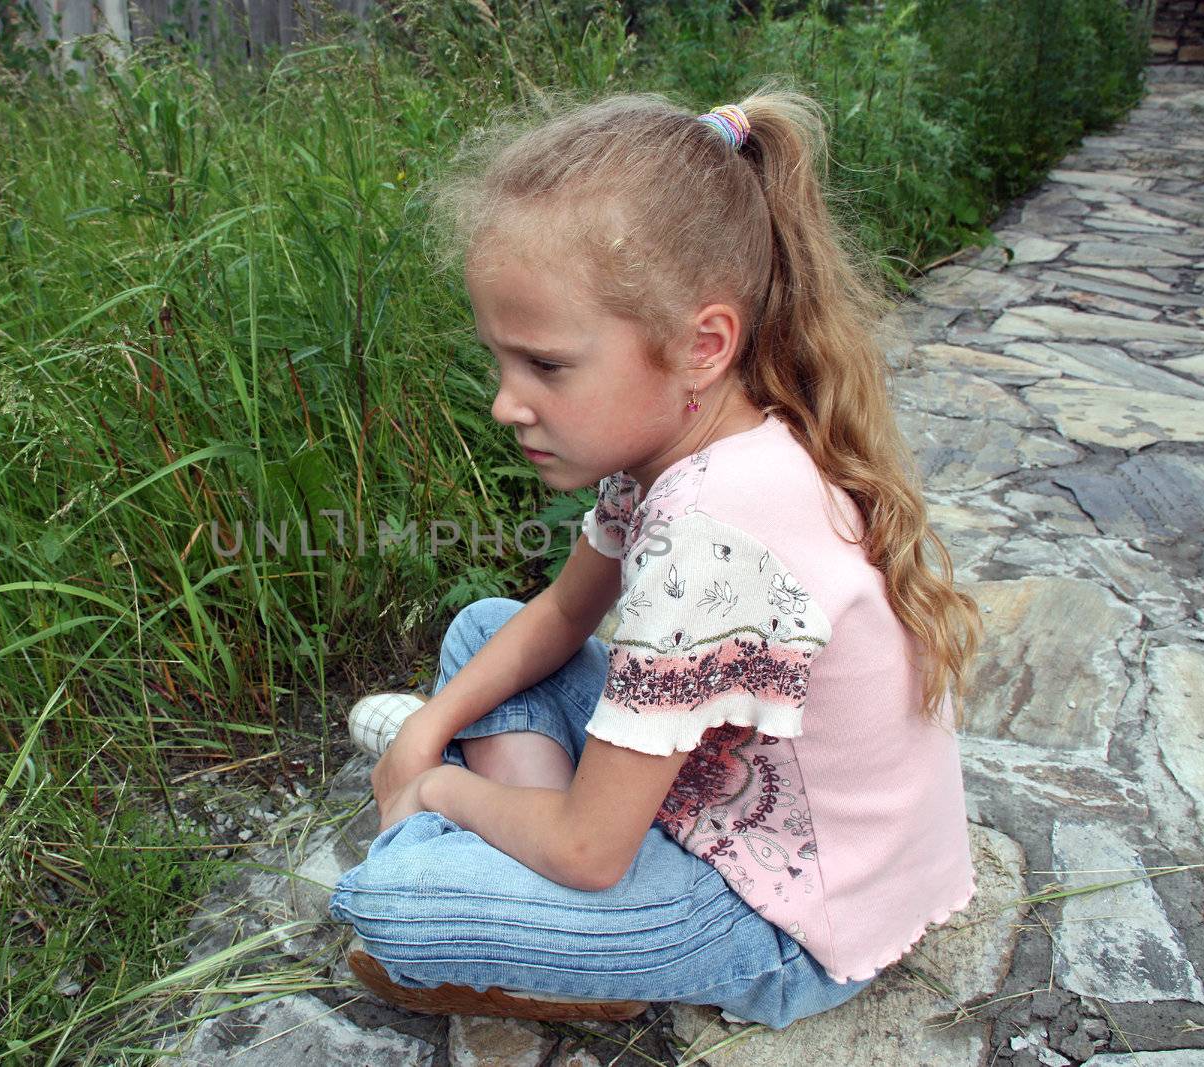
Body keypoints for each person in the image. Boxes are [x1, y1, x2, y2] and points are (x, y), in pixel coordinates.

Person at [326, 83, 984, 1029]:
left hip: (785, 922)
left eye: (546, 365)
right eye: (500, 361)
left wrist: (436, 783)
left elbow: (595, 851)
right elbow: (559, 616)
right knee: (486, 630)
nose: (507, 403)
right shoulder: (692, 446)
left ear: (701, 345)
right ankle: (538, 883)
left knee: (390, 904)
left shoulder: (715, 534)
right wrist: (432, 725)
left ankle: (563, 936)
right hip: (712, 802)